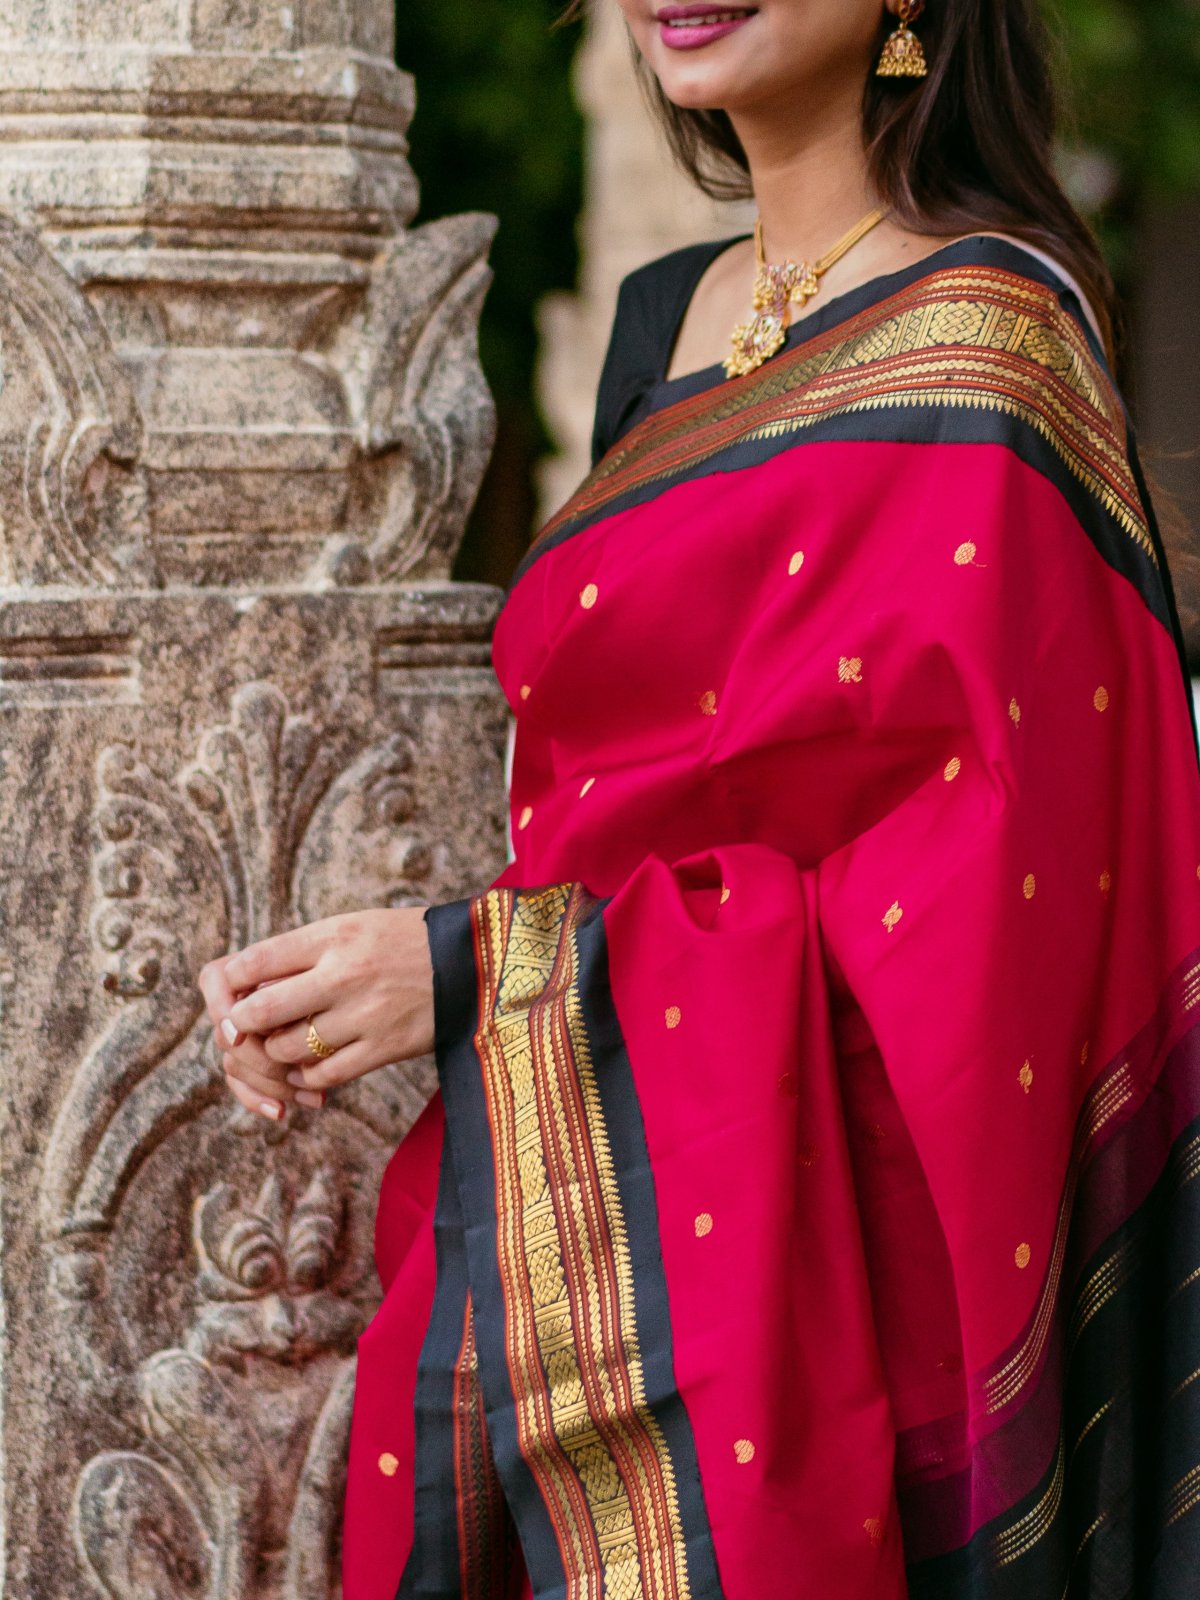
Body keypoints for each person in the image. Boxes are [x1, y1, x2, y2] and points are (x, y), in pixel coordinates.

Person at [199, 1, 1200, 1594]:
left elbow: (984, 942)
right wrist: (441, 969)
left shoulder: (996, 346)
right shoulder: (659, 324)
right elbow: (623, 804)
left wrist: (473, 968)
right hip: (579, 1223)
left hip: (858, 1293)